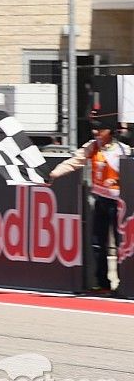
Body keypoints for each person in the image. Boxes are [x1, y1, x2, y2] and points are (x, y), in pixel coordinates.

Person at [49, 113, 131, 292]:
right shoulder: (92, 147)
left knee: (120, 245)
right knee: (97, 243)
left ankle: (124, 285)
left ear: (109, 129)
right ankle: (102, 283)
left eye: (99, 128)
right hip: (100, 201)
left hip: (119, 205)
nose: (95, 132)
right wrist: (54, 173)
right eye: (94, 128)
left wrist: (117, 182)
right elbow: (74, 162)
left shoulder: (123, 150)